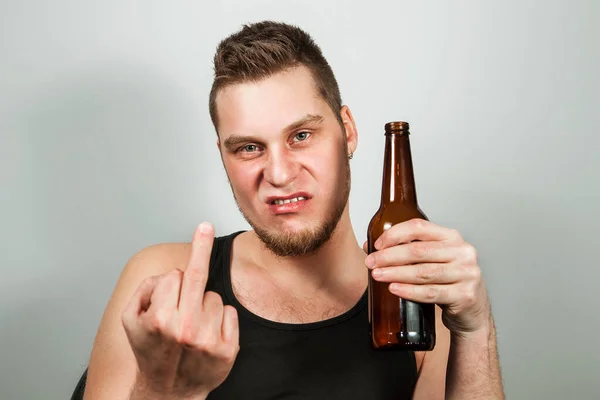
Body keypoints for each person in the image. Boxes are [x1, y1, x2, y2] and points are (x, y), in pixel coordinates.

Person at [82, 21, 504, 399]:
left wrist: (476, 326)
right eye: (249, 148)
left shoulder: (414, 298)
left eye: (301, 135)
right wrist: (164, 390)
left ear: (348, 132)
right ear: (223, 157)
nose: (279, 174)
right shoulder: (161, 283)